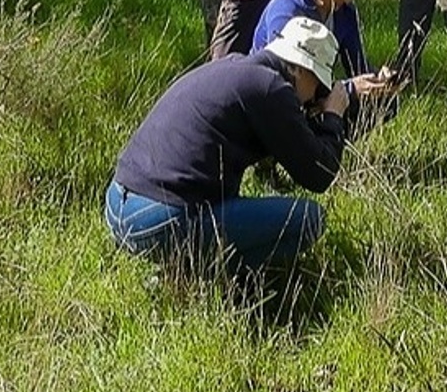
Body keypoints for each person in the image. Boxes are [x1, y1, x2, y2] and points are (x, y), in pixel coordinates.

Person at [105, 17, 353, 272]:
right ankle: (212, 279)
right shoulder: (270, 89)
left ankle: (184, 267)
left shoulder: (236, 69)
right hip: (157, 221)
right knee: (309, 219)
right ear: (300, 68)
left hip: (118, 207)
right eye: (318, 84)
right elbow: (319, 175)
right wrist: (333, 116)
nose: (315, 95)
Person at [252, 0, 396, 107]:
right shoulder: (284, 10)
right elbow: (286, 81)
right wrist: (348, 89)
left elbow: (358, 67)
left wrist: (379, 79)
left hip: (312, 96)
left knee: (385, 102)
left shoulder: (345, 12)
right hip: (271, 104)